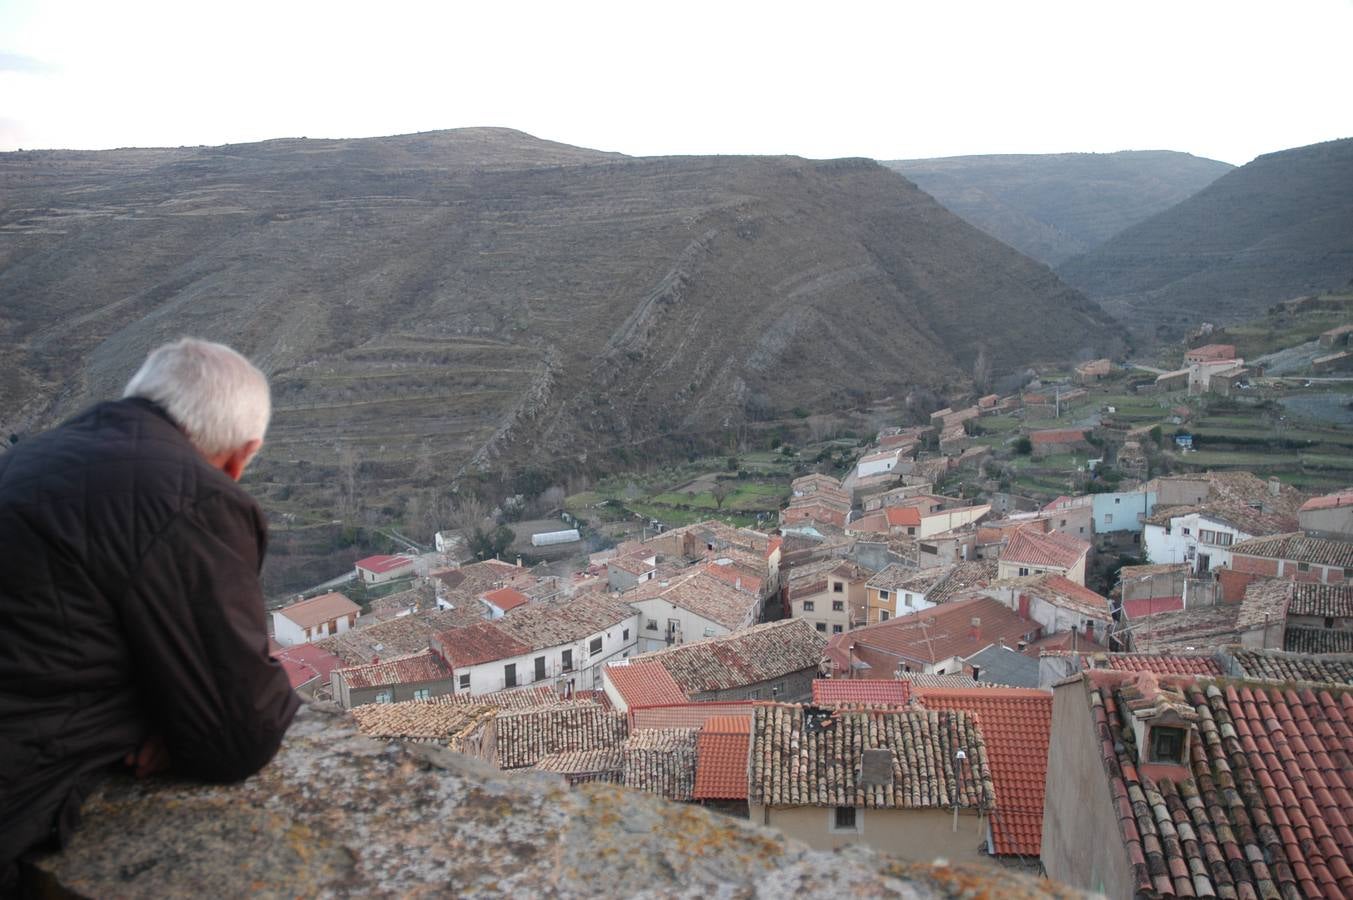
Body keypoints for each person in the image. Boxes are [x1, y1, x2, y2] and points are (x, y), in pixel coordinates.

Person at [0, 338, 299, 882]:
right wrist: (167, 717)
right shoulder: (192, 499)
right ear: (240, 456)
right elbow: (239, 734)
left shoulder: (30, 459)